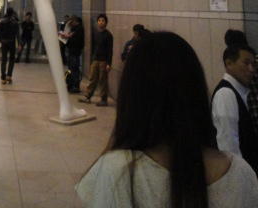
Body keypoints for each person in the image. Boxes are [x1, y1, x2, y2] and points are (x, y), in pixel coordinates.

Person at [77, 31, 258, 208]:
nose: (251, 69)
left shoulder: (117, 172)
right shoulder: (242, 174)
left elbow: (88, 191)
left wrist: (118, 134)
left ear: (132, 96)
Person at [211, 43, 258, 174]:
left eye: (254, 64)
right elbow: (228, 147)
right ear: (229, 63)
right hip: (239, 175)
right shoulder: (226, 94)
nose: (251, 69)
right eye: (246, 63)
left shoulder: (238, 92)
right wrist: (239, 177)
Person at [80, 13, 113, 106]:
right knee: (92, 79)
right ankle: (88, 96)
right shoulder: (96, 34)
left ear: (106, 23)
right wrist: (92, 59)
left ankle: (104, 99)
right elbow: (93, 47)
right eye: (99, 20)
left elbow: (110, 50)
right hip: (95, 59)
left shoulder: (108, 35)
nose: (101, 22)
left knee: (103, 80)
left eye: (103, 21)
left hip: (104, 61)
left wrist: (109, 63)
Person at [0, 7, 19, 84]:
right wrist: (19, 43)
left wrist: (1, 40)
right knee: (12, 59)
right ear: (12, 13)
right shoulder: (15, 22)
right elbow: (17, 34)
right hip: (12, 42)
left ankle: (3, 78)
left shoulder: (2, 21)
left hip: (4, 42)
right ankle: (9, 76)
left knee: (4, 59)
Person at [66, 16, 84, 93]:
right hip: (72, 51)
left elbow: (77, 41)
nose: (70, 23)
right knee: (70, 69)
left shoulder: (79, 29)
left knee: (74, 69)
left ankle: (75, 86)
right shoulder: (74, 29)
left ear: (75, 21)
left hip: (75, 51)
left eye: (71, 21)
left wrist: (68, 37)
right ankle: (71, 84)